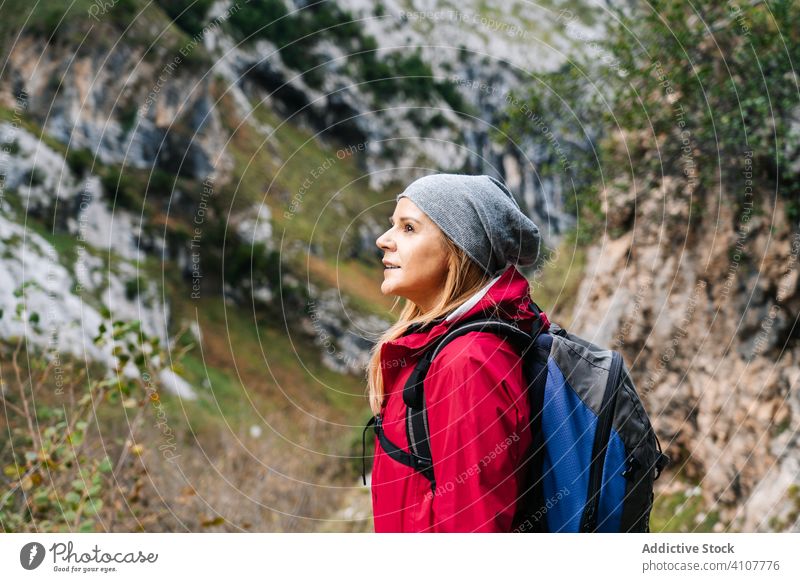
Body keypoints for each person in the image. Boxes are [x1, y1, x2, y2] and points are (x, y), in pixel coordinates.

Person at [367, 173, 548, 532]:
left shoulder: (468, 362)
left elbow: (473, 528)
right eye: (393, 226)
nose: (383, 240)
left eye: (408, 228)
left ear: (456, 249)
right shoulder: (438, 344)